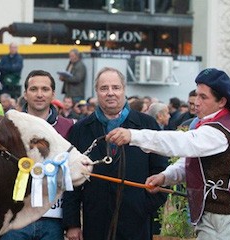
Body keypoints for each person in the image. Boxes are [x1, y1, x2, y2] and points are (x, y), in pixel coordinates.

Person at [106, 68, 230, 240]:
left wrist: (134, 135)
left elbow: (181, 142)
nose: (196, 102)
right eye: (197, 95)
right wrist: (165, 177)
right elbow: (188, 161)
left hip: (225, 217)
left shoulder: (219, 132)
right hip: (212, 214)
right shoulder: (209, 125)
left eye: (204, 97)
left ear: (221, 102)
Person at [63, 67, 168, 240]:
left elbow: (162, 170)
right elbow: (70, 179)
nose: (110, 93)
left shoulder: (147, 125)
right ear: (96, 92)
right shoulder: (80, 130)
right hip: (96, 221)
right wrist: (72, 223)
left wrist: (144, 206)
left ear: (124, 90)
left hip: (136, 222)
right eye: (104, 88)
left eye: (116, 87)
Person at [1, 69, 75, 240]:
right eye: (33, 89)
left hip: (54, 220)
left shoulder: (69, 127)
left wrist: (72, 222)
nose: (39, 94)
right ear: (25, 94)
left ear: (53, 94)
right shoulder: (10, 126)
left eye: (45, 89)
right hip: (16, 218)